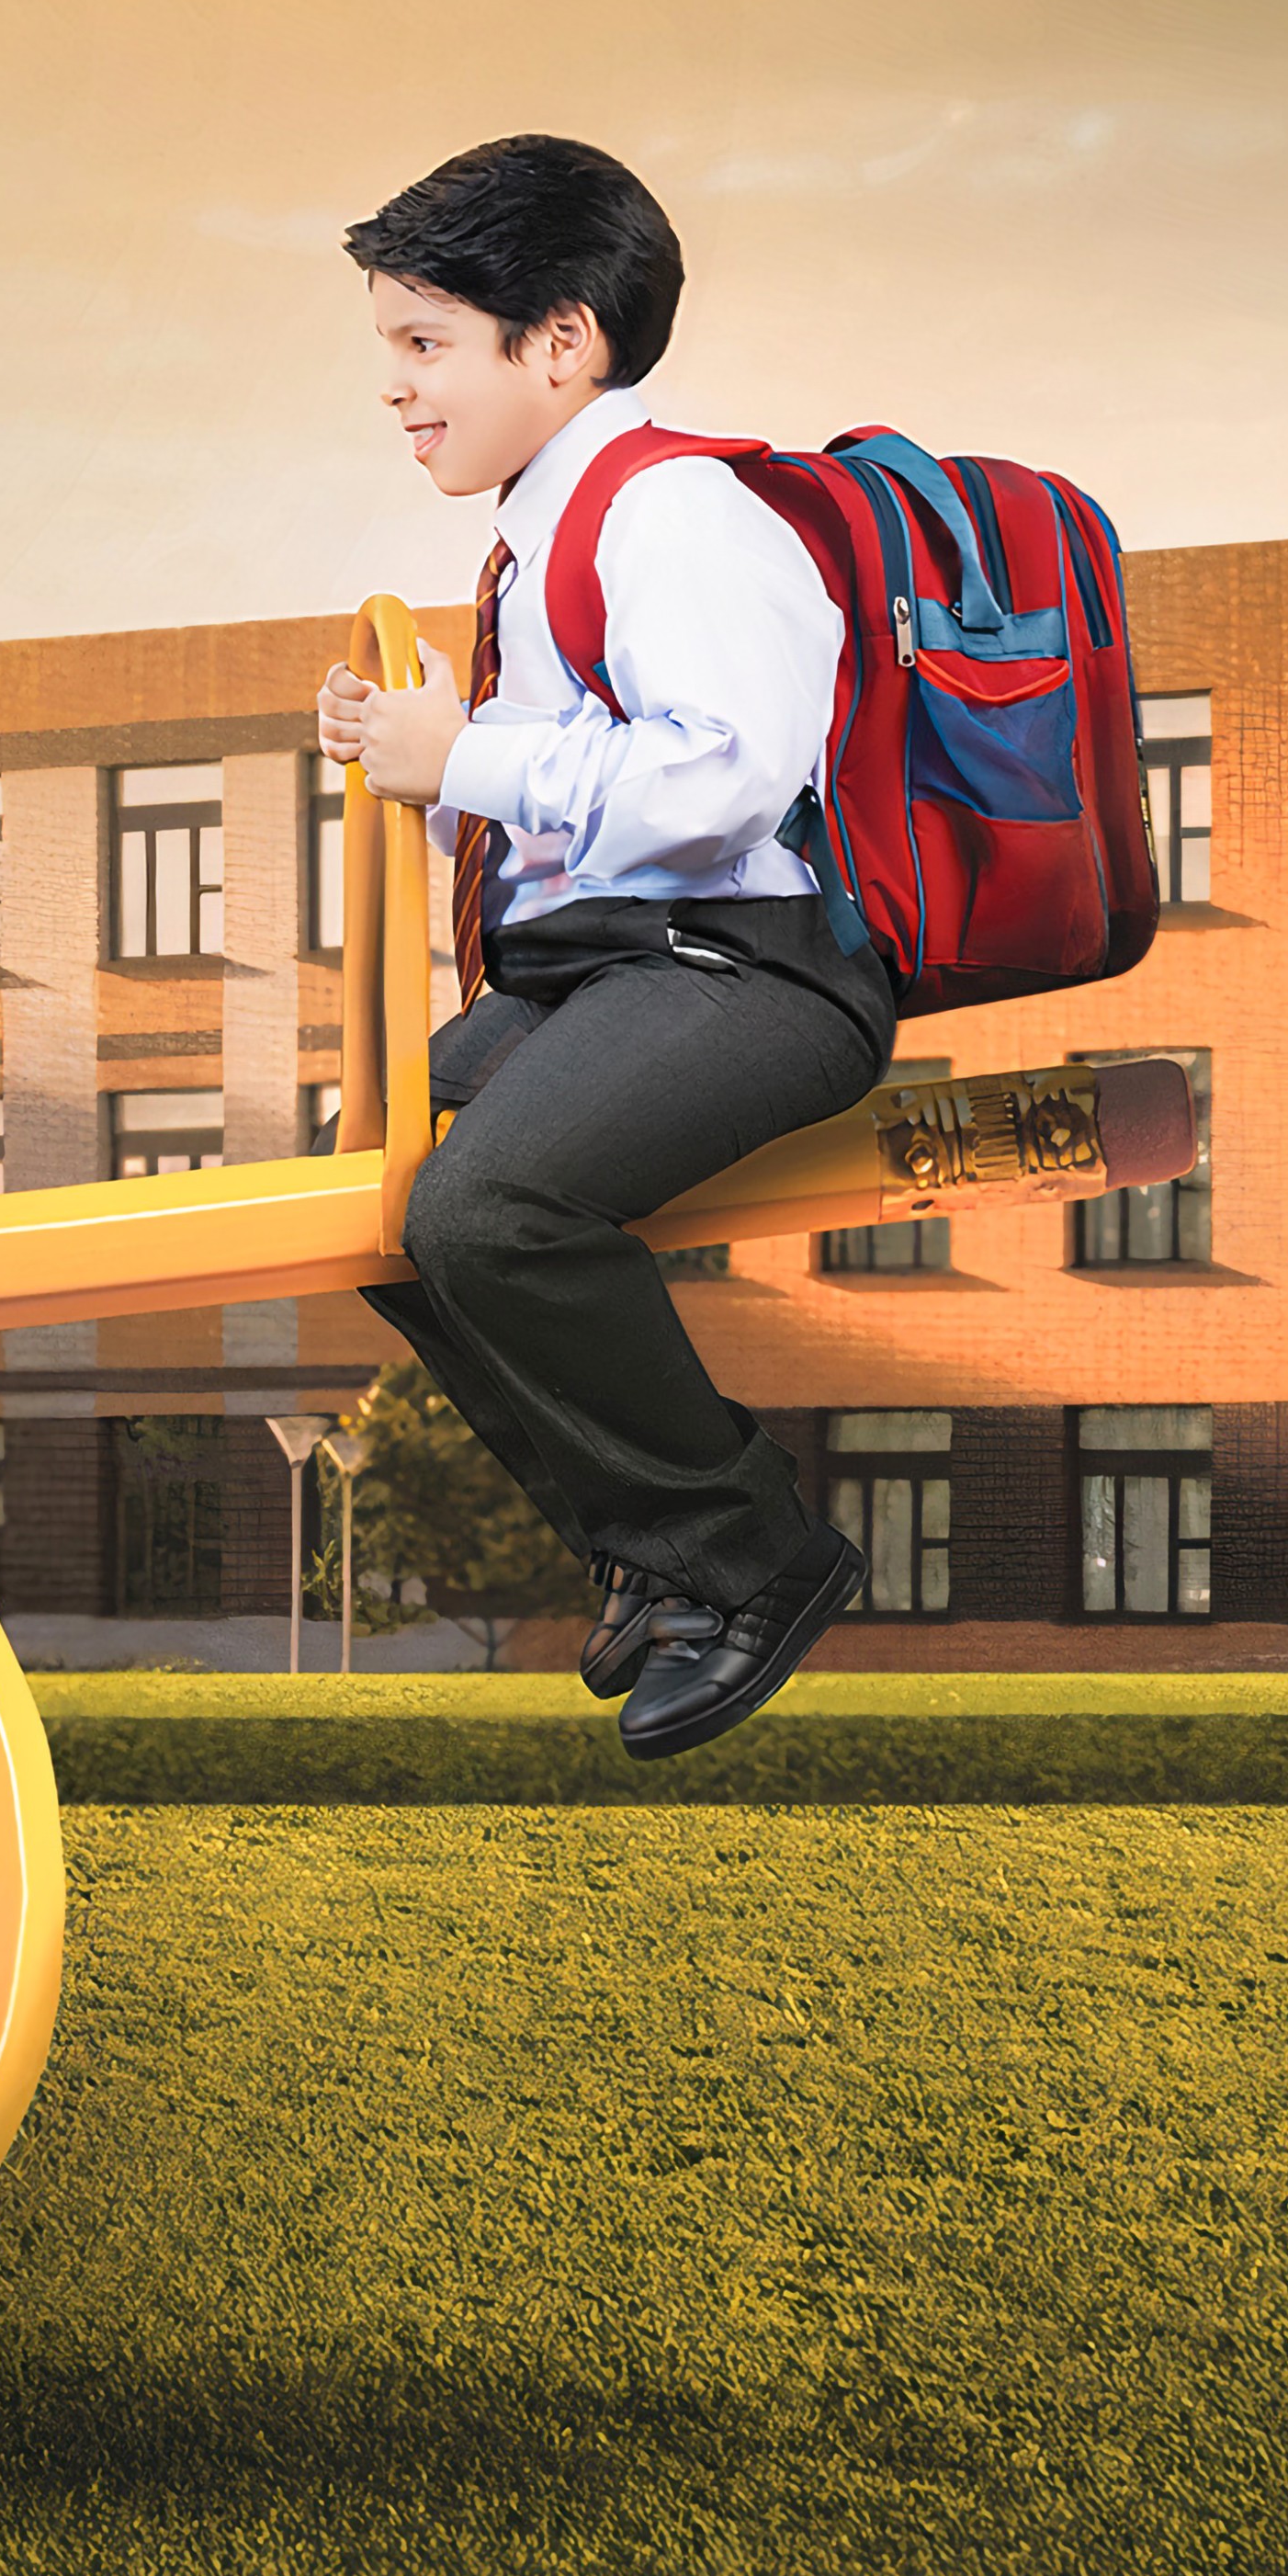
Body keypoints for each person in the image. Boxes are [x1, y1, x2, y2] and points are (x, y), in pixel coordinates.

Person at [316, 136, 894, 1760]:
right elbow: (569, 807)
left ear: (560, 340)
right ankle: (650, 1542)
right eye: (391, 346)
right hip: (612, 962)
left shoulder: (674, 513)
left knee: (488, 1208)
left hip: (756, 961)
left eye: (426, 342)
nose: (396, 385)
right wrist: (429, 752)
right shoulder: (546, 532)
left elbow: (726, 779)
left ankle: (751, 1557)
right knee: (370, 1196)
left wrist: (468, 755)